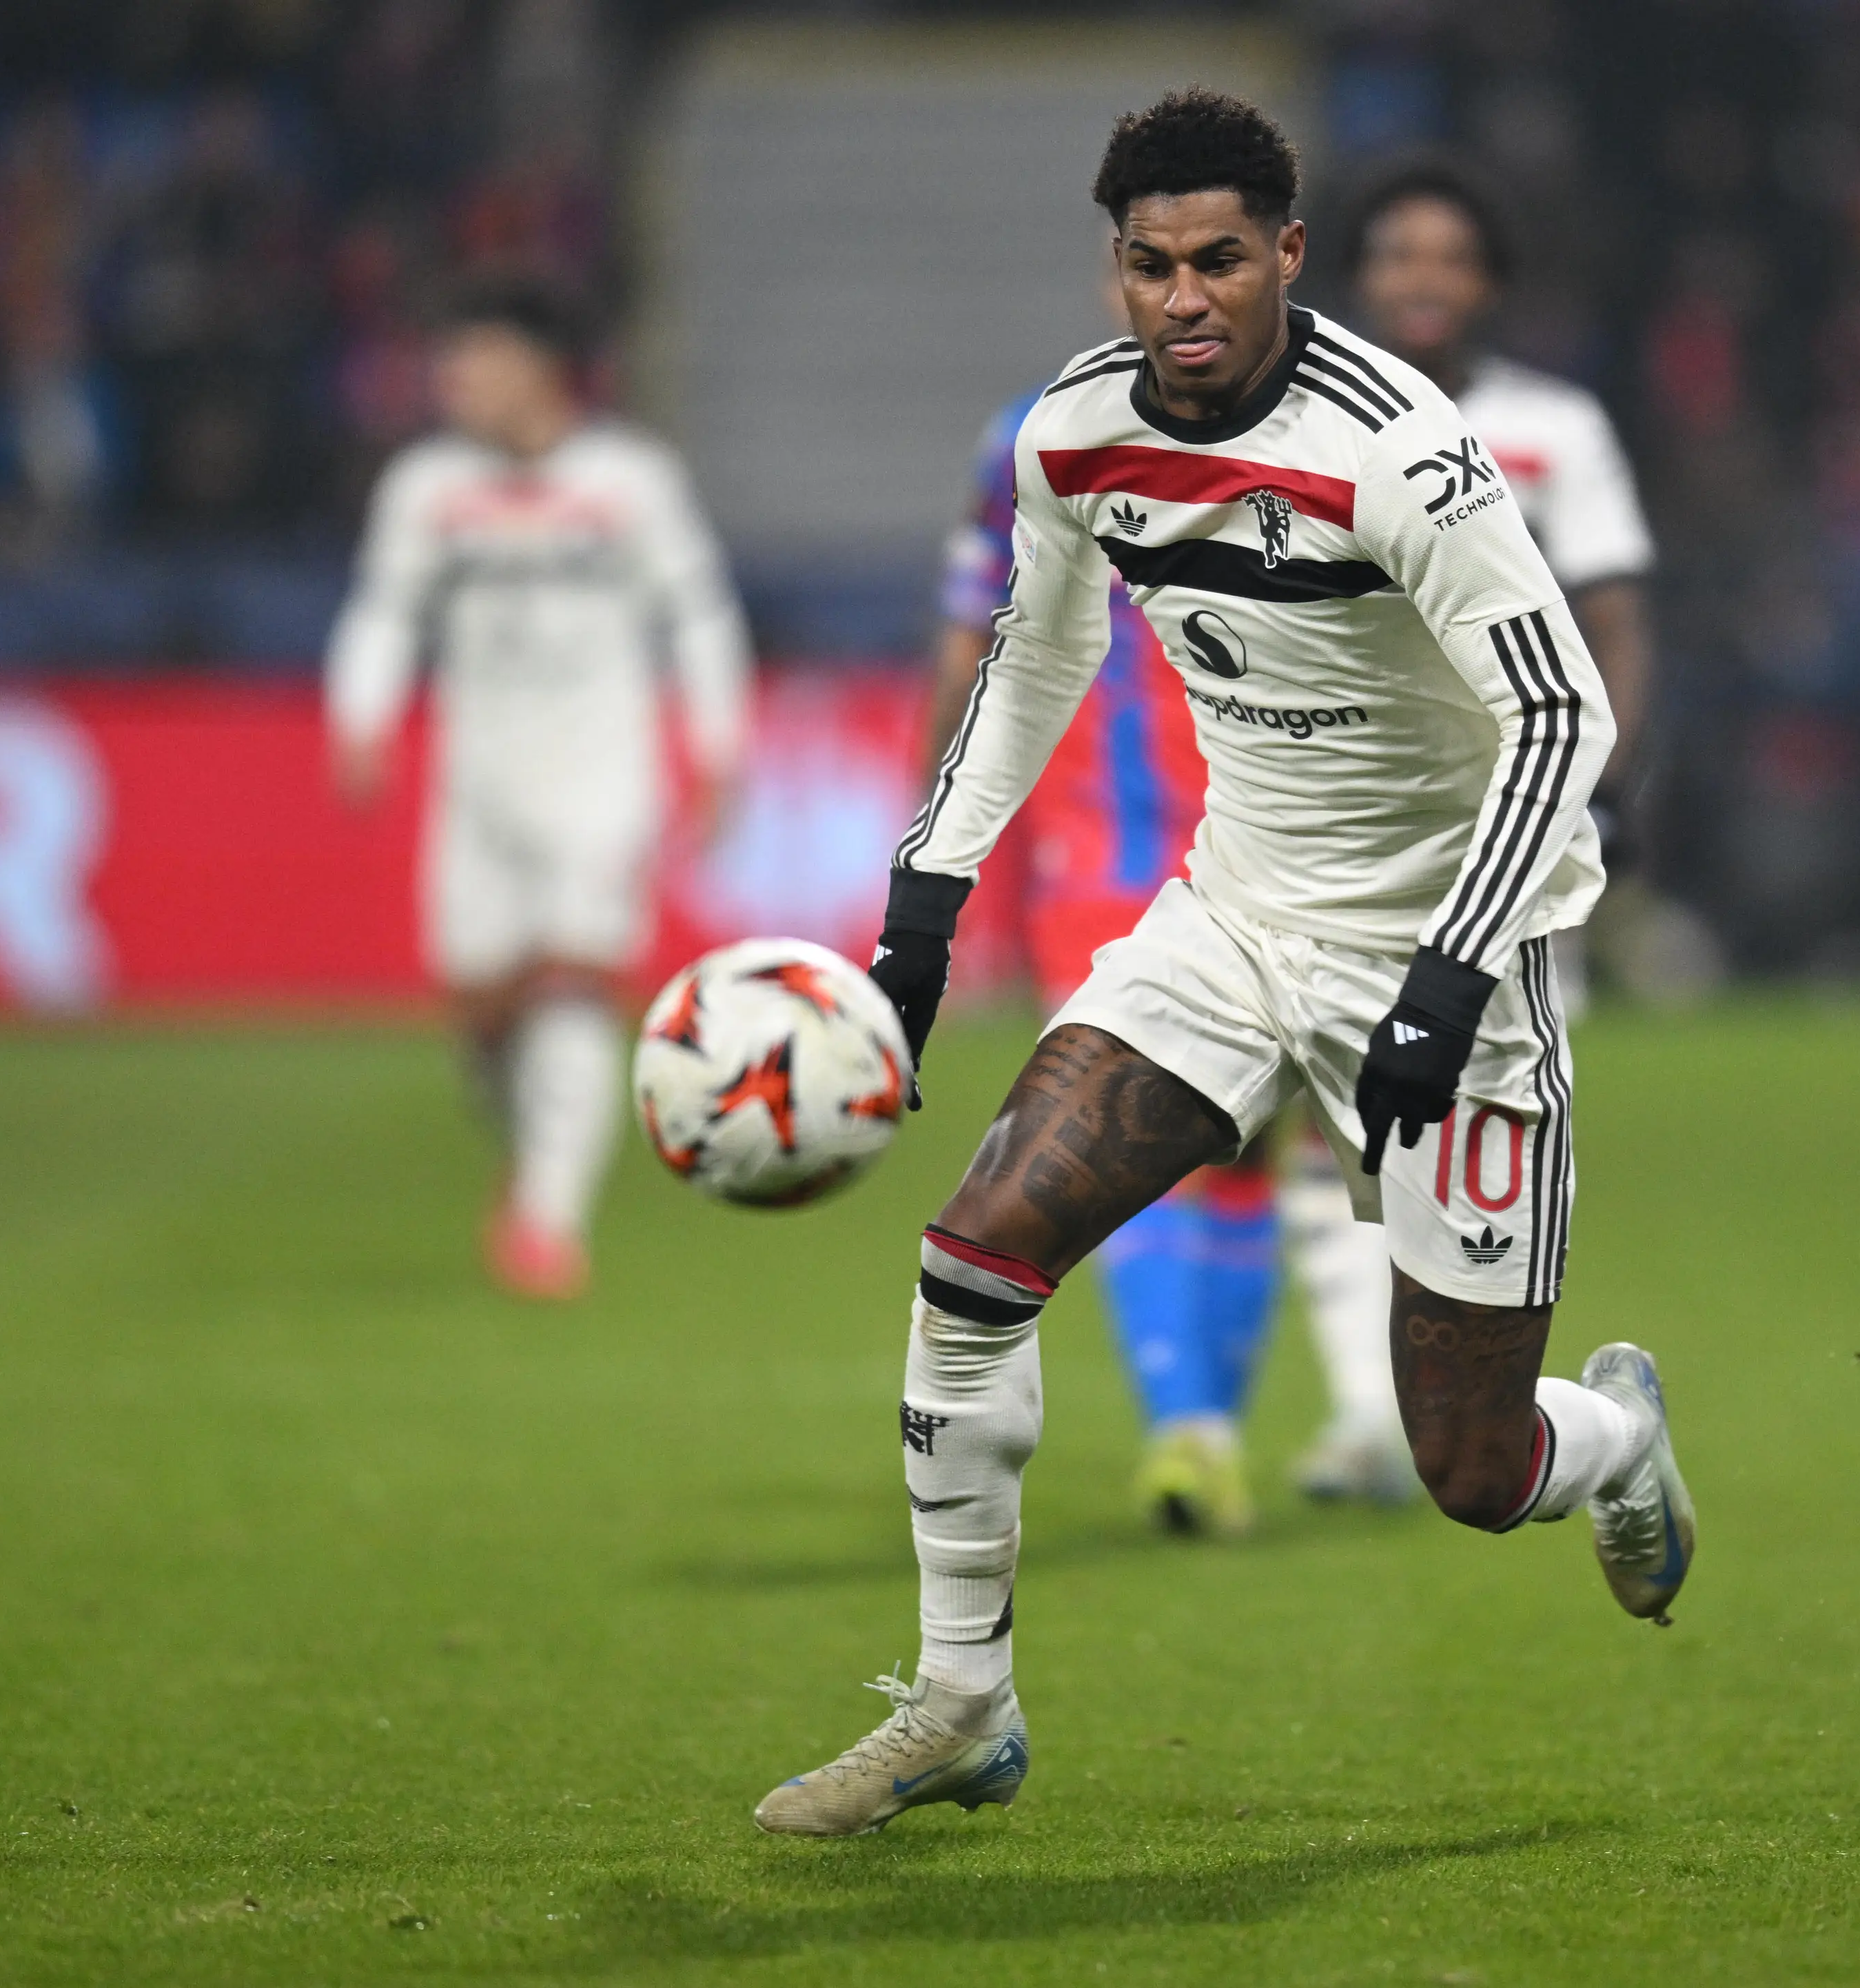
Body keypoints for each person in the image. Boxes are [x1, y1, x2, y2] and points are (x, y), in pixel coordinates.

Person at [755, 90, 1693, 1838]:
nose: (1182, 298)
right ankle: (960, 1701)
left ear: (1288, 257)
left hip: (1448, 952)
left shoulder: (1399, 449)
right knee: (974, 1258)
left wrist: (1451, 976)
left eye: (1218, 261)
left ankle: (1619, 1442)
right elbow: (1033, 664)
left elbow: (1562, 714)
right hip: (1233, 924)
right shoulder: (1074, 435)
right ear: (1115, 269)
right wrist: (922, 911)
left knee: (1470, 1466)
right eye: (1148, 264)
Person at [1280, 156, 1662, 1507]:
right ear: (1357, 272)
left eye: (1451, 256)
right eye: (1399, 255)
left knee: (1464, 1136)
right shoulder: (1305, 421)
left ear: (1491, 282)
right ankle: (1368, 1417)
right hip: (1355, 830)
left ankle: (1501, 1416)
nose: (1423, 279)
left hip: (1511, 828)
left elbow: (1614, 619)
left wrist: (1603, 783)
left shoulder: (1554, 428)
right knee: (1328, 1127)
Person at [325, 281, 750, 1299]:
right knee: (483, 1010)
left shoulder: (631, 480)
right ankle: (532, 1157)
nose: (454, 381)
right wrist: (361, 716)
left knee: (572, 981)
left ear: (541, 369)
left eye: (476, 359)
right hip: (479, 783)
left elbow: (697, 615)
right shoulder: (427, 487)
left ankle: (547, 1221)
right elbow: (385, 610)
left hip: (602, 775)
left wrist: (717, 748)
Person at [928, 382, 1280, 1537]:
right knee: (1124, 1131)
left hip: (1274, 840)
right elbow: (975, 636)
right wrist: (941, 829)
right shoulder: (1035, 438)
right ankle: (1189, 1426)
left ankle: (1208, 1430)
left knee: (1247, 1145)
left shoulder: (1323, 426)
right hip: (1104, 846)